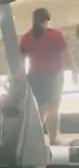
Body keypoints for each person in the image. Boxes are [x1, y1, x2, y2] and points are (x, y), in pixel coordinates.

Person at [20, 8, 78, 145]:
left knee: (40, 109)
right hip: (53, 76)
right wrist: (74, 71)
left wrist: (21, 78)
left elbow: (21, 60)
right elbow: (66, 54)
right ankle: (53, 138)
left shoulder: (26, 37)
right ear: (47, 20)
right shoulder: (55, 34)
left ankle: (33, 139)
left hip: (34, 76)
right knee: (53, 108)